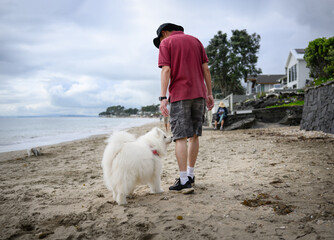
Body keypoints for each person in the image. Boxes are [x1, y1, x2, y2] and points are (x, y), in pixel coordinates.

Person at [153, 23, 214, 192]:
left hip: (180, 95)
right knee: (194, 135)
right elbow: (206, 69)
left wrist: (163, 97)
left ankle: (183, 180)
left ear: (164, 33)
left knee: (180, 137)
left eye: (160, 39)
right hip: (199, 94)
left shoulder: (166, 43)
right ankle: (191, 174)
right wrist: (209, 93)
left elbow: (166, 70)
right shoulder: (196, 41)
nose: (161, 42)